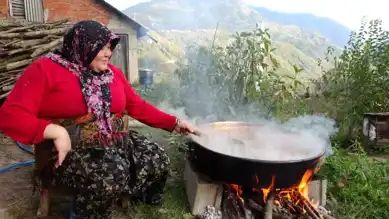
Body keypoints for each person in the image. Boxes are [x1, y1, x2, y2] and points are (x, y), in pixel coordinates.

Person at [0, 20, 199, 219]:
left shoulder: (112, 74)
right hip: (71, 150)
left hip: (114, 140)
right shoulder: (45, 70)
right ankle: (90, 212)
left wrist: (174, 123)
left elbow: (136, 106)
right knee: (111, 174)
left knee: (157, 157)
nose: (108, 53)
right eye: (101, 47)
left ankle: (139, 197)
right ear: (82, 46)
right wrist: (56, 131)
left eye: (109, 47)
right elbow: (9, 115)